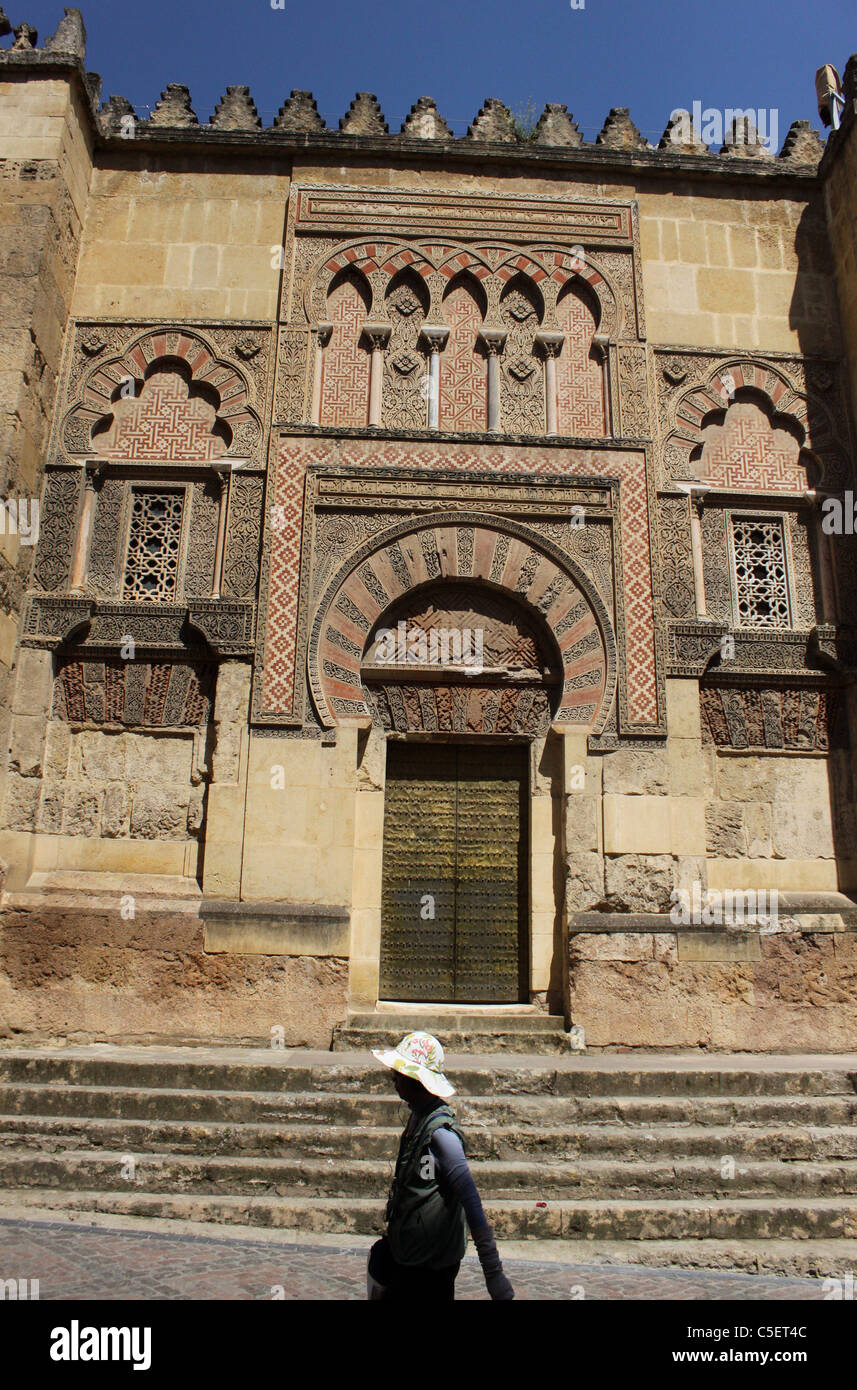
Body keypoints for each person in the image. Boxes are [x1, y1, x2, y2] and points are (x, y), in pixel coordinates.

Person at [367, 1030, 515, 1301]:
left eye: (399, 1075)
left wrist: (493, 1274)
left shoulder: (441, 1135)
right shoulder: (417, 1119)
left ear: (417, 1081)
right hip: (408, 1253)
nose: (394, 1081)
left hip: (429, 1266)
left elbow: (470, 1198)